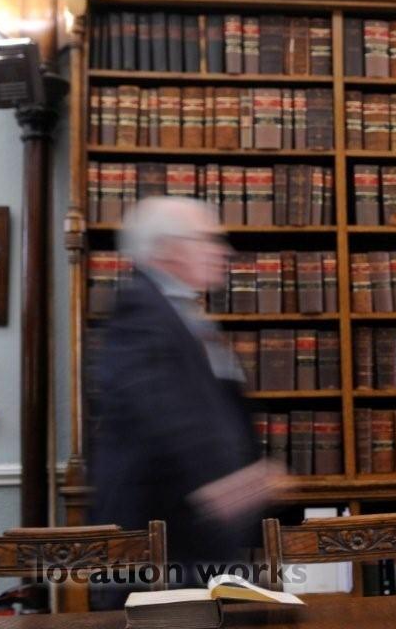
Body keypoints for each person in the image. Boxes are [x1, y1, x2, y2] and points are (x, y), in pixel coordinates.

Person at [89, 196, 286, 591]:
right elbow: (159, 407)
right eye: (208, 239)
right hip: (161, 540)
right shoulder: (141, 309)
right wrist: (225, 487)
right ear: (168, 249)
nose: (224, 251)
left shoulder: (181, 311)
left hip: (196, 535)